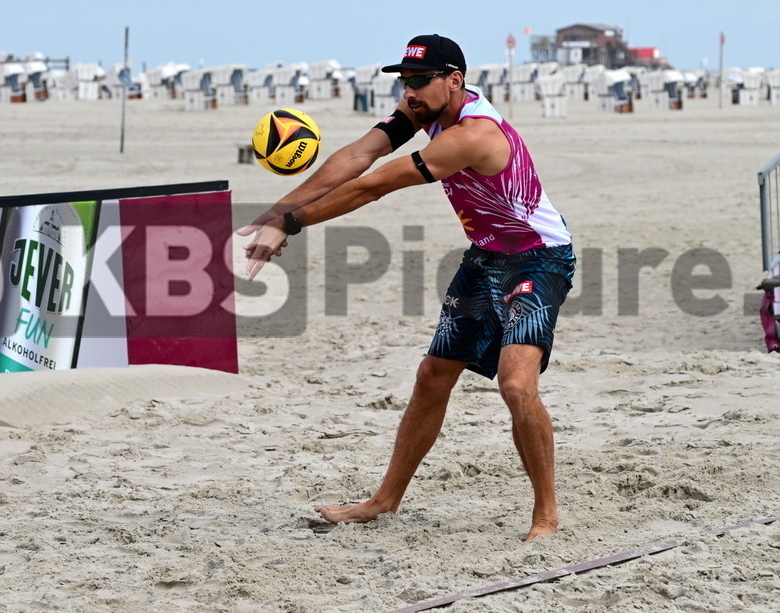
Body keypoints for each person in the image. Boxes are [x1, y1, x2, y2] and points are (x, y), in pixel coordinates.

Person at [237, 34, 576, 542]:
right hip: (486, 257)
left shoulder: (473, 134)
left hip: (538, 257)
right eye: (404, 81)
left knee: (515, 383)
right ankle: (383, 501)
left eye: (419, 81)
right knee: (433, 374)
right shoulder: (425, 111)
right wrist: (276, 214)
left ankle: (546, 515)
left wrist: (292, 223)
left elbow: (377, 184)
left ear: (454, 81)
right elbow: (357, 158)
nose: (409, 92)